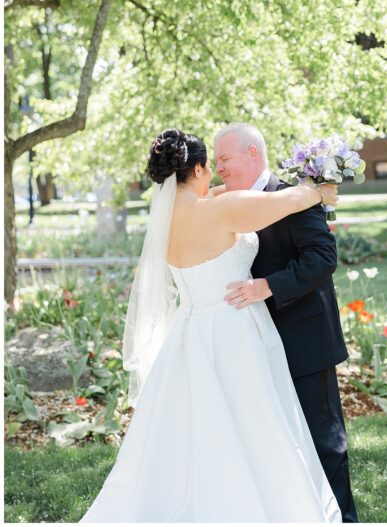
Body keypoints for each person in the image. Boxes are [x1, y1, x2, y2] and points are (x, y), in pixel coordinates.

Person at [83, 129, 342, 522]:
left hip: (190, 334)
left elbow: (216, 196)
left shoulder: (167, 221)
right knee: (256, 427)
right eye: (212, 168)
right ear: (199, 168)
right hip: (235, 332)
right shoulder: (221, 209)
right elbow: (289, 199)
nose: (218, 177)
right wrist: (319, 190)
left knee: (195, 432)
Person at [213, 123, 357, 522]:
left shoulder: (293, 197)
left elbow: (322, 259)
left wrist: (267, 286)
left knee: (324, 442)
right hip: (255, 343)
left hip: (305, 340)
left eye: (225, 158)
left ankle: (343, 519)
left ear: (252, 154)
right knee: (280, 444)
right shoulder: (229, 202)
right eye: (217, 160)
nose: (219, 166)